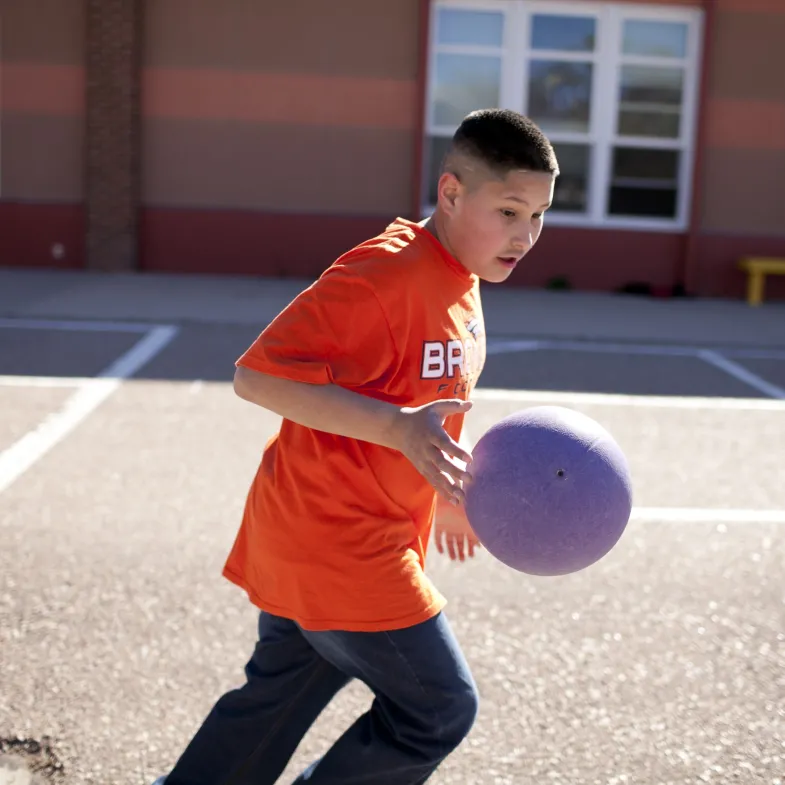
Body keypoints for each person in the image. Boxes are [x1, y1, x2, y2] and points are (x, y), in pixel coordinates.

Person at [152, 108, 558, 785]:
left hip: (321, 536)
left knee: (270, 706)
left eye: (540, 215)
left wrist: (449, 492)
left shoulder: (464, 275)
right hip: (339, 544)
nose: (525, 235)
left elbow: (437, 396)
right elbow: (257, 375)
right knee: (438, 708)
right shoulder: (383, 273)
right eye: (510, 211)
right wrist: (398, 429)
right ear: (451, 193)